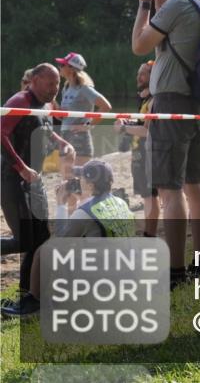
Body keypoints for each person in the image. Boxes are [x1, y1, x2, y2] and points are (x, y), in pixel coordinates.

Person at [131, 0, 200, 286]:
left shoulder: (180, 4)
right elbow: (168, 40)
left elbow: (140, 44)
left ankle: (175, 271)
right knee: (196, 185)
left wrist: (143, 0)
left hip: (172, 105)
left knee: (169, 190)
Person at [1, 160, 133, 317]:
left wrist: (61, 204)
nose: (78, 181)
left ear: (90, 184)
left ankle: (34, 303)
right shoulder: (120, 203)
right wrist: (80, 202)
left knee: (46, 250)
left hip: (103, 280)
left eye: (81, 179)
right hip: (124, 275)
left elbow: (60, 237)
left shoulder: (85, 212)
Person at [0, 64, 74, 301]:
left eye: (58, 84)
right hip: (12, 178)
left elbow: (44, 129)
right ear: (34, 80)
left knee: (40, 239)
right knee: (25, 239)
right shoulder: (19, 101)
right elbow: (1, 133)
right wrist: (21, 167)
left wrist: (62, 142)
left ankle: (28, 295)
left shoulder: (48, 104)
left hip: (36, 181)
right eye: (50, 83)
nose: (55, 89)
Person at [54, 52, 112, 212]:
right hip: (65, 137)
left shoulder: (84, 89)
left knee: (81, 184)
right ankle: (72, 217)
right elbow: (62, 116)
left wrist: (87, 125)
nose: (60, 67)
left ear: (71, 69)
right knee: (68, 181)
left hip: (80, 139)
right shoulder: (66, 87)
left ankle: (85, 217)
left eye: (62, 65)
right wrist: (52, 101)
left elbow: (106, 106)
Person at [116, 60, 159, 237]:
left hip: (149, 154)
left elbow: (147, 130)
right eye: (138, 73)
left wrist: (124, 128)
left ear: (153, 76)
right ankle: (150, 232)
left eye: (143, 73)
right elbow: (141, 123)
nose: (138, 77)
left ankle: (150, 233)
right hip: (139, 154)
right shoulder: (144, 99)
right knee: (148, 196)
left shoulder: (153, 100)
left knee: (150, 196)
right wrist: (126, 122)